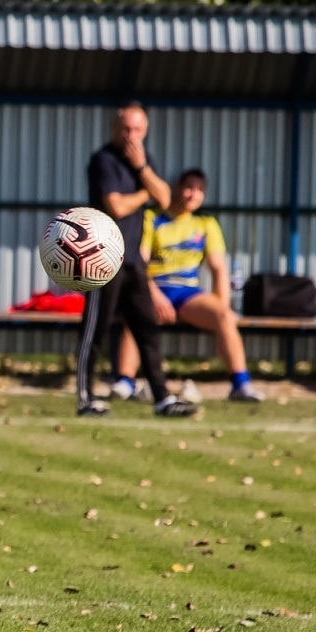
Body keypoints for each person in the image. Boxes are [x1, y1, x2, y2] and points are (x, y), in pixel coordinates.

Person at [77, 102, 197, 418]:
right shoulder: (103, 161)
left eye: (137, 130)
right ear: (114, 129)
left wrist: (143, 169)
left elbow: (166, 198)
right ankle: (85, 398)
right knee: (95, 331)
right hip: (102, 259)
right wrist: (146, 193)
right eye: (126, 129)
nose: (131, 135)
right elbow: (116, 207)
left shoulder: (143, 162)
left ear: (145, 131)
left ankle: (162, 398)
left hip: (133, 260)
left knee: (147, 329)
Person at [111, 169, 263, 403]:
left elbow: (219, 270)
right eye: (190, 188)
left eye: (200, 190)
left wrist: (221, 307)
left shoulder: (205, 224)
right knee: (136, 315)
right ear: (177, 188)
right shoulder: (152, 218)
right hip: (154, 288)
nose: (194, 194)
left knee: (224, 316)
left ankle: (240, 385)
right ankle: (125, 382)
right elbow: (139, 264)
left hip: (187, 294)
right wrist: (155, 296)